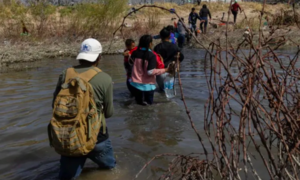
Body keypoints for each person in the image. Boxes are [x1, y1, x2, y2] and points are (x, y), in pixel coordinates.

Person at [52, 38, 115, 180]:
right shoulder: (105, 78)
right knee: (110, 170)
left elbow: (54, 105)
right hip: (97, 138)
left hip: (69, 136)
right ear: (99, 57)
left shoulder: (65, 74)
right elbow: (109, 113)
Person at [130, 35, 168, 105]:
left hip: (135, 85)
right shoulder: (151, 55)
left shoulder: (135, 53)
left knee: (138, 104)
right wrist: (165, 70)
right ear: (150, 44)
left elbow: (131, 65)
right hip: (147, 87)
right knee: (148, 106)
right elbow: (150, 72)